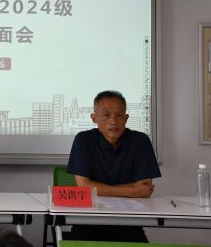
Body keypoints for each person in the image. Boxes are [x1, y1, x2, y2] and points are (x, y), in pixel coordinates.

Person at [66, 90, 161, 242]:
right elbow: (84, 187)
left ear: (126, 118)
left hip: (129, 223)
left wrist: (98, 188)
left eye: (119, 115)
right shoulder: (84, 140)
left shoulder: (140, 141)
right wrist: (132, 190)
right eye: (106, 115)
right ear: (94, 118)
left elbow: (144, 188)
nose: (113, 121)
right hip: (88, 222)